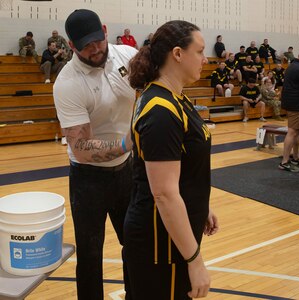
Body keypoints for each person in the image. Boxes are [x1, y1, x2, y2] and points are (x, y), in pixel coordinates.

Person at [125, 20, 219, 299]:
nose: (205, 59)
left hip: (171, 236)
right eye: (200, 51)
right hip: (159, 246)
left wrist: (200, 205)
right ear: (177, 54)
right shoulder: (161, 111)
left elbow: (185, 167)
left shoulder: (176, 98)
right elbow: (164, 194)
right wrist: (195, 261)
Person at [53, 9, 138, 299]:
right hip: (88, 179)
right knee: (90, 255)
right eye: (86, 45)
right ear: (71, 45)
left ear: (104, 30)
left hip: (127, 171)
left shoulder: (128, 55)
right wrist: (129, 143)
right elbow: (82, 148)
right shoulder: (68, 83)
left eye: (98, 41)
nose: (95, 49)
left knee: (136, 243)